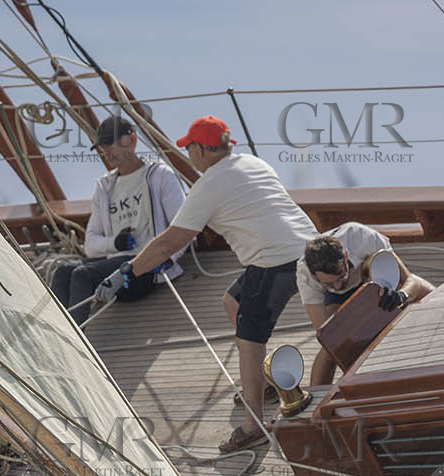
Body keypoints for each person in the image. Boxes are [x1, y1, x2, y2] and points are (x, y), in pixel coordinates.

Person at [100, 115, 315, 454]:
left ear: (201, 150)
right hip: (307, 248)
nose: (188, 156)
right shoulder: (252, 163)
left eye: (189, 149)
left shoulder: (208, 186)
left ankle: (253, 424)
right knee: (233, 301)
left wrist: (127, 271)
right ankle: (266, 383)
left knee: (249, 337)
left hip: (274, 263)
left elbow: (170, 243)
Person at [49, 115, 188, 320]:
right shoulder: (104, 187)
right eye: (103, 146)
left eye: (110, 144)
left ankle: (76, 345)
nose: (106, 152)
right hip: (114, 269)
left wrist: (166, 259)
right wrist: (116, 242)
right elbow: (91, 245)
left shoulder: (159, 175)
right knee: (63, 272)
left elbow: (184, 228)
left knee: (81, 274)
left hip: (145, 269)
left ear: (132, 140)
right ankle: (55, 337)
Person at [299, 223, 434, 385]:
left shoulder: (363, 238)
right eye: (329, 283)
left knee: (430, 294)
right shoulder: (304, 275)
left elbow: (410, 280)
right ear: (314, 277)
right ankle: (318, 398)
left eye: (341, 277)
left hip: (372, 276)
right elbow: (327, 337)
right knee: (329, 350)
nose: (337, 286)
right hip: (337, 300)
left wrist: (401, 296)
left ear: (346, 257)